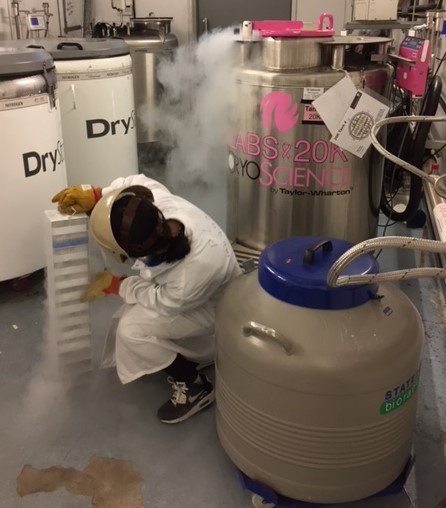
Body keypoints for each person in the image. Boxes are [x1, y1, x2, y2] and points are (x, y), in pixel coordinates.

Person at [52, 174, 241, 424]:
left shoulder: (190, 276)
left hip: (218, 307)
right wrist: (97, 194)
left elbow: (161, 299)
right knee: (132, 316)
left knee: (131, 331)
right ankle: (181, 354)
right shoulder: (157, 208)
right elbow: (136, 181)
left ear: (130, 252)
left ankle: (195, 386)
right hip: (198, 290)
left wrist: (115, 285)